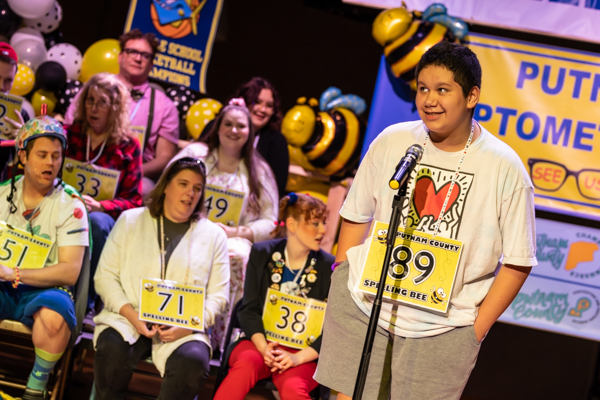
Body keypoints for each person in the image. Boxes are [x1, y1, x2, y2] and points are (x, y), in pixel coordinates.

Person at [314, 41, 537, 400]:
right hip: (365, 307)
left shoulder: (503, 166)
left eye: (443, 90)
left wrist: (475, 330)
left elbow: (518, 260)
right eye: (422, 89)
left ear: (471, 96)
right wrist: (343, 274)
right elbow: (355, 214)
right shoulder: (394, 141)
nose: (429, 100)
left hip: (444, 328)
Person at [92, 157, 230, 400]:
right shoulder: (130, 221)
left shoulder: (214, 235)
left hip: (183, 326)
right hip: (129, 317)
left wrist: (187, 327)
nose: (190, 193)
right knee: (111, 350)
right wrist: (131, 315)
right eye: (183, 184)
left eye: (197, 188)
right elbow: (105, 277)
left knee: (193, 361)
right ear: (166, 185)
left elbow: (219, 297)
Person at [172, 98, 278, 349]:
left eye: (240, 126)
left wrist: (236, 232)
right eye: (227, 124)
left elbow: (271, 221)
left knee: (238, 254)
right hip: (188, 229)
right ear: (218, 127)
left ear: (249, 133)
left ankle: (217, 337)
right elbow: (169, 187)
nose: (233, 130)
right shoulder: (195, 154)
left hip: (232, 238)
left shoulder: (259, 170)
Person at [0, 116, 89, 400]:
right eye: (42, 155)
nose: (50, 163)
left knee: (54, 317)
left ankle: (35, 389)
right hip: (3, 284)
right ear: (23, 156)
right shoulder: (3, 194)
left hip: (47, 288)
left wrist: (14, 273)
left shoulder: (72, 205)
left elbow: (69, 272)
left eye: (56, 156)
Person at [213, 193, 333, 400]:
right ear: (292, 225)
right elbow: (248, 309)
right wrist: (263, 347)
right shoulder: (262, 252)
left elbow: (332, 328)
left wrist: (297, 358)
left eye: (323, 223)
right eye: (315, 223)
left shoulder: (329, 266)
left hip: (304, 353)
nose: (322, 230)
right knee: (246, 365)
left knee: (294, 386)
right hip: (259, 342)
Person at [64, 29, 179, 196]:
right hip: (83, 164)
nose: (138, 58)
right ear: (120, 56)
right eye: (132, 51)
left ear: (152, 64)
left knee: (145, 189)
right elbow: (69, 129)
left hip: (134, 172)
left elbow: (164, 158)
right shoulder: (92, 90)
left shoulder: (165, 106)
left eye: (145, 55)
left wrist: (129, 172)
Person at [64, 72, 142, 314]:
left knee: (95, 223)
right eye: (89, 100)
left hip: (101, 215)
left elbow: (134, 201)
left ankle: (83, 302)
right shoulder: (70, 132)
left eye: (102, 103)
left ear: (116, 109)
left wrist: (101, 206)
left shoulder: (128, 145)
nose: (93, 108)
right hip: (64, 204)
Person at [199, 77, 289, 197]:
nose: (262, 110)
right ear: (243, 101)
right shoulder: (216, 126)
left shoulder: (277, 141)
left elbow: (275, 190)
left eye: (269, 106)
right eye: (257, 102)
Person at [0, 42, 31, 179]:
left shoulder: (20, 115)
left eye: (8, 80)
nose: (1, 86)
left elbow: (29, 164)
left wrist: (23, 143)